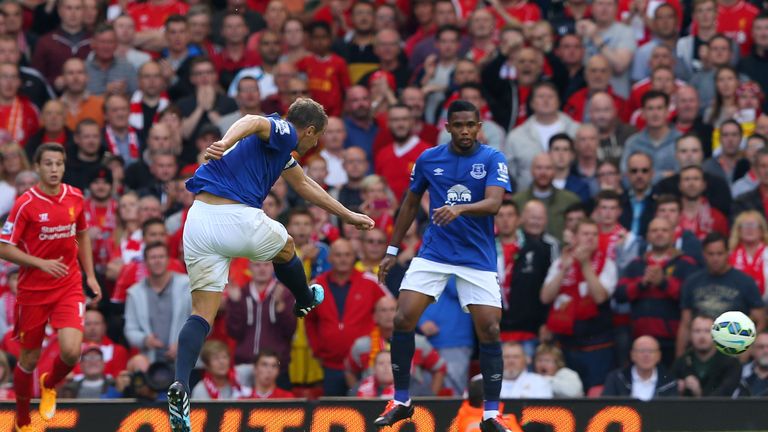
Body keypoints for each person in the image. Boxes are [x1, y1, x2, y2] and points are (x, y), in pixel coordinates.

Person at [166, 98, 374, 432]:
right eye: (315, 139)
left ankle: (180, 384)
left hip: (199, 219)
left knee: (202, 313)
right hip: (234, 214)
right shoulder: (283, 130)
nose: (313, 145)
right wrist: (225, 141)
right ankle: (305, 299)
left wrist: (348, 215)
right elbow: (252, 119)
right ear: (308, 130)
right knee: (288, 245)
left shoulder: (278, 152)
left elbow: (306, 186)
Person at [374, 100, 513, 432]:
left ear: (479, 127)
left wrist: (459, 209)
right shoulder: (428, 159)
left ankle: (491, 415)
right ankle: (402, 400)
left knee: (491, 329)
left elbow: (494, 203)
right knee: (403, 317)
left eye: (470, 125)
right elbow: (409, 203)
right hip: (435, 253)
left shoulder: (493, 158)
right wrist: (392, 249)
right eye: (458, 125)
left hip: (476, 258)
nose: (465, 131)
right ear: (448, 127)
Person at [0, 143, 102, 431]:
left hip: (68, 284)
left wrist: (90, 276)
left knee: (71, 352)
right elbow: (3, 247)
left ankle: (50, 384)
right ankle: (22, 412)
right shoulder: (25, 204)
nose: (54, 169)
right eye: (48, 164)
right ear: (37, 167)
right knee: (28, 359)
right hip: (33, 291)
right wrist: (39, 263)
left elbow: (82, 235)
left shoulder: (75, 197)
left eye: (59, 164)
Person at [676, 233, 766, 357]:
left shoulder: (744, 281)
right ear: (704, 254)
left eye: (720, 253)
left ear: (728, 253)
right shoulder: (692, 282)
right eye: (711, 254)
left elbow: (760, 320)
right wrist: (679, 357)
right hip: (699, 352)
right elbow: (685, 324)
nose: (715, 258)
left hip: (732, 350)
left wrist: (747, 351)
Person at [673, 315, 742, 397]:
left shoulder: (731, 362)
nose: (702, 336)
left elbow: (725, 395)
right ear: (689, 335)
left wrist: (699, 394)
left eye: (707, 331)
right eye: (697, 331)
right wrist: (676, 389)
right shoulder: (682, 362)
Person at [601, 336, 677, 399]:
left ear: (659, 356)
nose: (646, 355)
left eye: (651, 351)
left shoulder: (669, 382)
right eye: (642, 351)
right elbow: (606, 410)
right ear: (632, 355)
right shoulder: (616, 378)